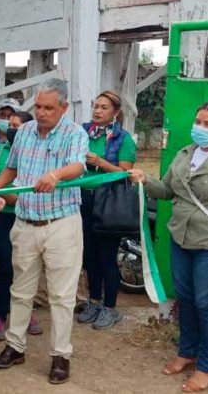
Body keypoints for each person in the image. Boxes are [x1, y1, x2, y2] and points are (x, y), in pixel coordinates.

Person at [0, 78, 88, 385]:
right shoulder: (25, 132)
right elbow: (12, 168)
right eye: (38, 107)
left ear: (64, 107)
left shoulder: (75, 133)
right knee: (20, 290)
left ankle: (60, 356)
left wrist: (55, 174)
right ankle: (15, 346)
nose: (42, 113)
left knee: (61, 294)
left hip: (61, 224)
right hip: (25, 223)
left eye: (49, 108)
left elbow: (78, 167)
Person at [130, 102, 208, 393]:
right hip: (181, 236)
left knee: (206, 303)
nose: (200, 129)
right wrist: (145, 180)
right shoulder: (185, 153)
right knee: (185, 298)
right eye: (199, 121)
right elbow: (167, 190)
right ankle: (187, 351)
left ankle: (207, 365)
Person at [0, 111, 43, 341]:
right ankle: (1, 315)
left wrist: (16, 196)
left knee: (26, 268)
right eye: (11, 125)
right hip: (3, 217)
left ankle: (25, 314)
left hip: (28, 216)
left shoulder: (39, 152)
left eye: (18, 125)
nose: (12, 129)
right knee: (5, 265)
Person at [77, 90, 136, 330]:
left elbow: (125, 173)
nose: (98, 111)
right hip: (83, 200)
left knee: (106, 258)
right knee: (89, 256)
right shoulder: (82, 132)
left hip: (109, 203)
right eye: (96, 106)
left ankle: (110, 308)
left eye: (104, 107)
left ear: (115, 113)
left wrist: (100, 163)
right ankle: (93, 302)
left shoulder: (123, 139)